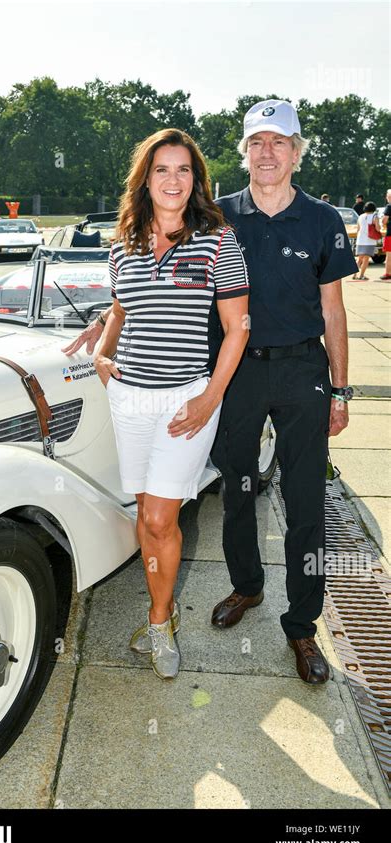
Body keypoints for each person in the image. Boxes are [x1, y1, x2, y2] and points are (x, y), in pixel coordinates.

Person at [65, 100, 358, 686]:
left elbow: (334, 308)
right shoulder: (215, 217)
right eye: (257, 143)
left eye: (280, 142)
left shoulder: (323, 220)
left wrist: (342, 391)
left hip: (302, 370)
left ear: (297, 152)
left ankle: (302, 624)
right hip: (237, 374)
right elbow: (145, 283)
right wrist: (104, 332)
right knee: (238, 488)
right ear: (244, 152)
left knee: (306, 504)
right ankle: (246, 586)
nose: (268, 153)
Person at [62, 128, 250, 681]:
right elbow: (121, 307)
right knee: (145, 515)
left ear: (197, 181)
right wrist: (100, 355)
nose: (173, 179)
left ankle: (160, 620)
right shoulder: (123, 242)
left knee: (163, 518)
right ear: (146, 178)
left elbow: (237, 329)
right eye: (162, 169)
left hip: (184, 402)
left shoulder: (218, 239)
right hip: (129, 398)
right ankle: (157, 616)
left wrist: (208, 399)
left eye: (184, 170)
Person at [354, 201, 380, 280]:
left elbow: (358, 229)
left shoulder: (360, 216)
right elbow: (378, 228)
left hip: (360, 240)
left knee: (359, 259)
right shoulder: (374, 216)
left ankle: (354, 274)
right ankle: (361, 275)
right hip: (369, 240)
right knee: (366, 259)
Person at [380, 189, 391, 281]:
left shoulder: (389, 206)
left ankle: (388, 273)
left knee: (389, 255)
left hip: (390, 234)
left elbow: (384, 220)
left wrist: (383, 223)